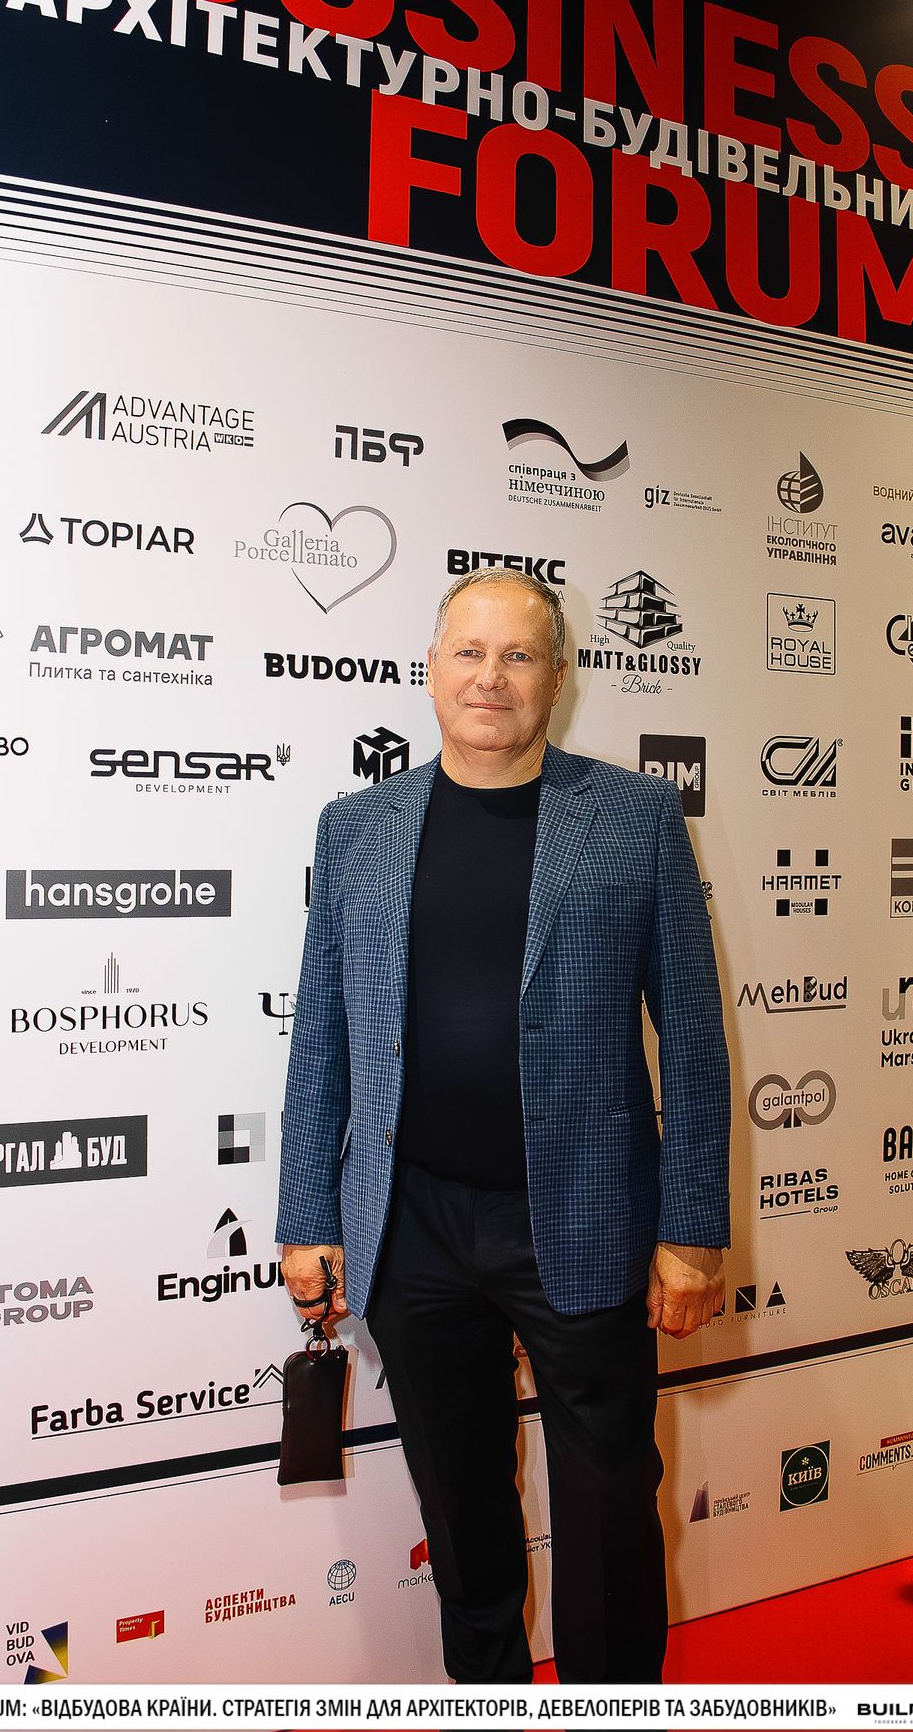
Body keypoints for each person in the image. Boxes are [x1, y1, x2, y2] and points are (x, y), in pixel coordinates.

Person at [276, 570, 730, 1684]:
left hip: (583, 1218)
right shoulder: (355, 829)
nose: (492, 678)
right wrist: (306, 1215)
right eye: (470, 653)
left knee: (609, 1505)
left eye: (519, 655)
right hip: (413, 1228)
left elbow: (694, 1036)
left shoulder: (634, 819)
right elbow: (322, 1036)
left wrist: (691, 1231)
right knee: (462, 1509)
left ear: (558, 678)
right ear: (431, 670)